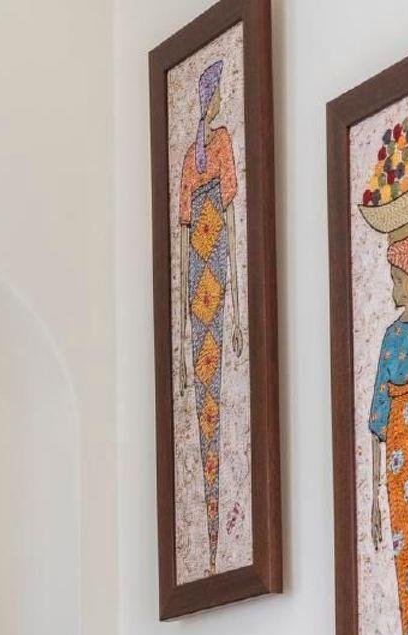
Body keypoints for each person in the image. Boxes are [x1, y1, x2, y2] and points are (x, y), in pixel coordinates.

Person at [178, 57, 243, 576]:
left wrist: (237, 310)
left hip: (213, 269)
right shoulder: (201, 152)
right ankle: (212, 536)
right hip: (206, 270)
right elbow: (190, 242)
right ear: (212, 97)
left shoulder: (216, 145)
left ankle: (219, 539)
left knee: (215, 387)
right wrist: (183, 332)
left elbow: (231, 224)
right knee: (205, 390)